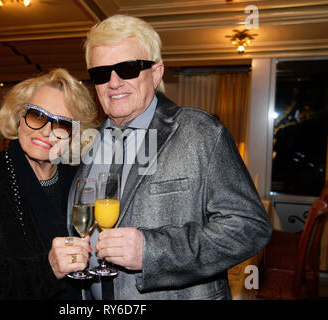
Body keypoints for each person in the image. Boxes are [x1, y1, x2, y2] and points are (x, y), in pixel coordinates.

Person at [66, 15, 272, 300]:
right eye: (101, 73)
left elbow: (250, 228)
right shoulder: (88, 142)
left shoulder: (201, 133)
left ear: (156, 72)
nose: (113, 82)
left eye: (127, 68)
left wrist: (152, 251)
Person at [0, 68, 99, 299]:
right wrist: (48, 269)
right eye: (37, 116)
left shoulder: (78, 178)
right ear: (19, 116)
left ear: (74, 134)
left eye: (62, 124)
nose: (46, 132)